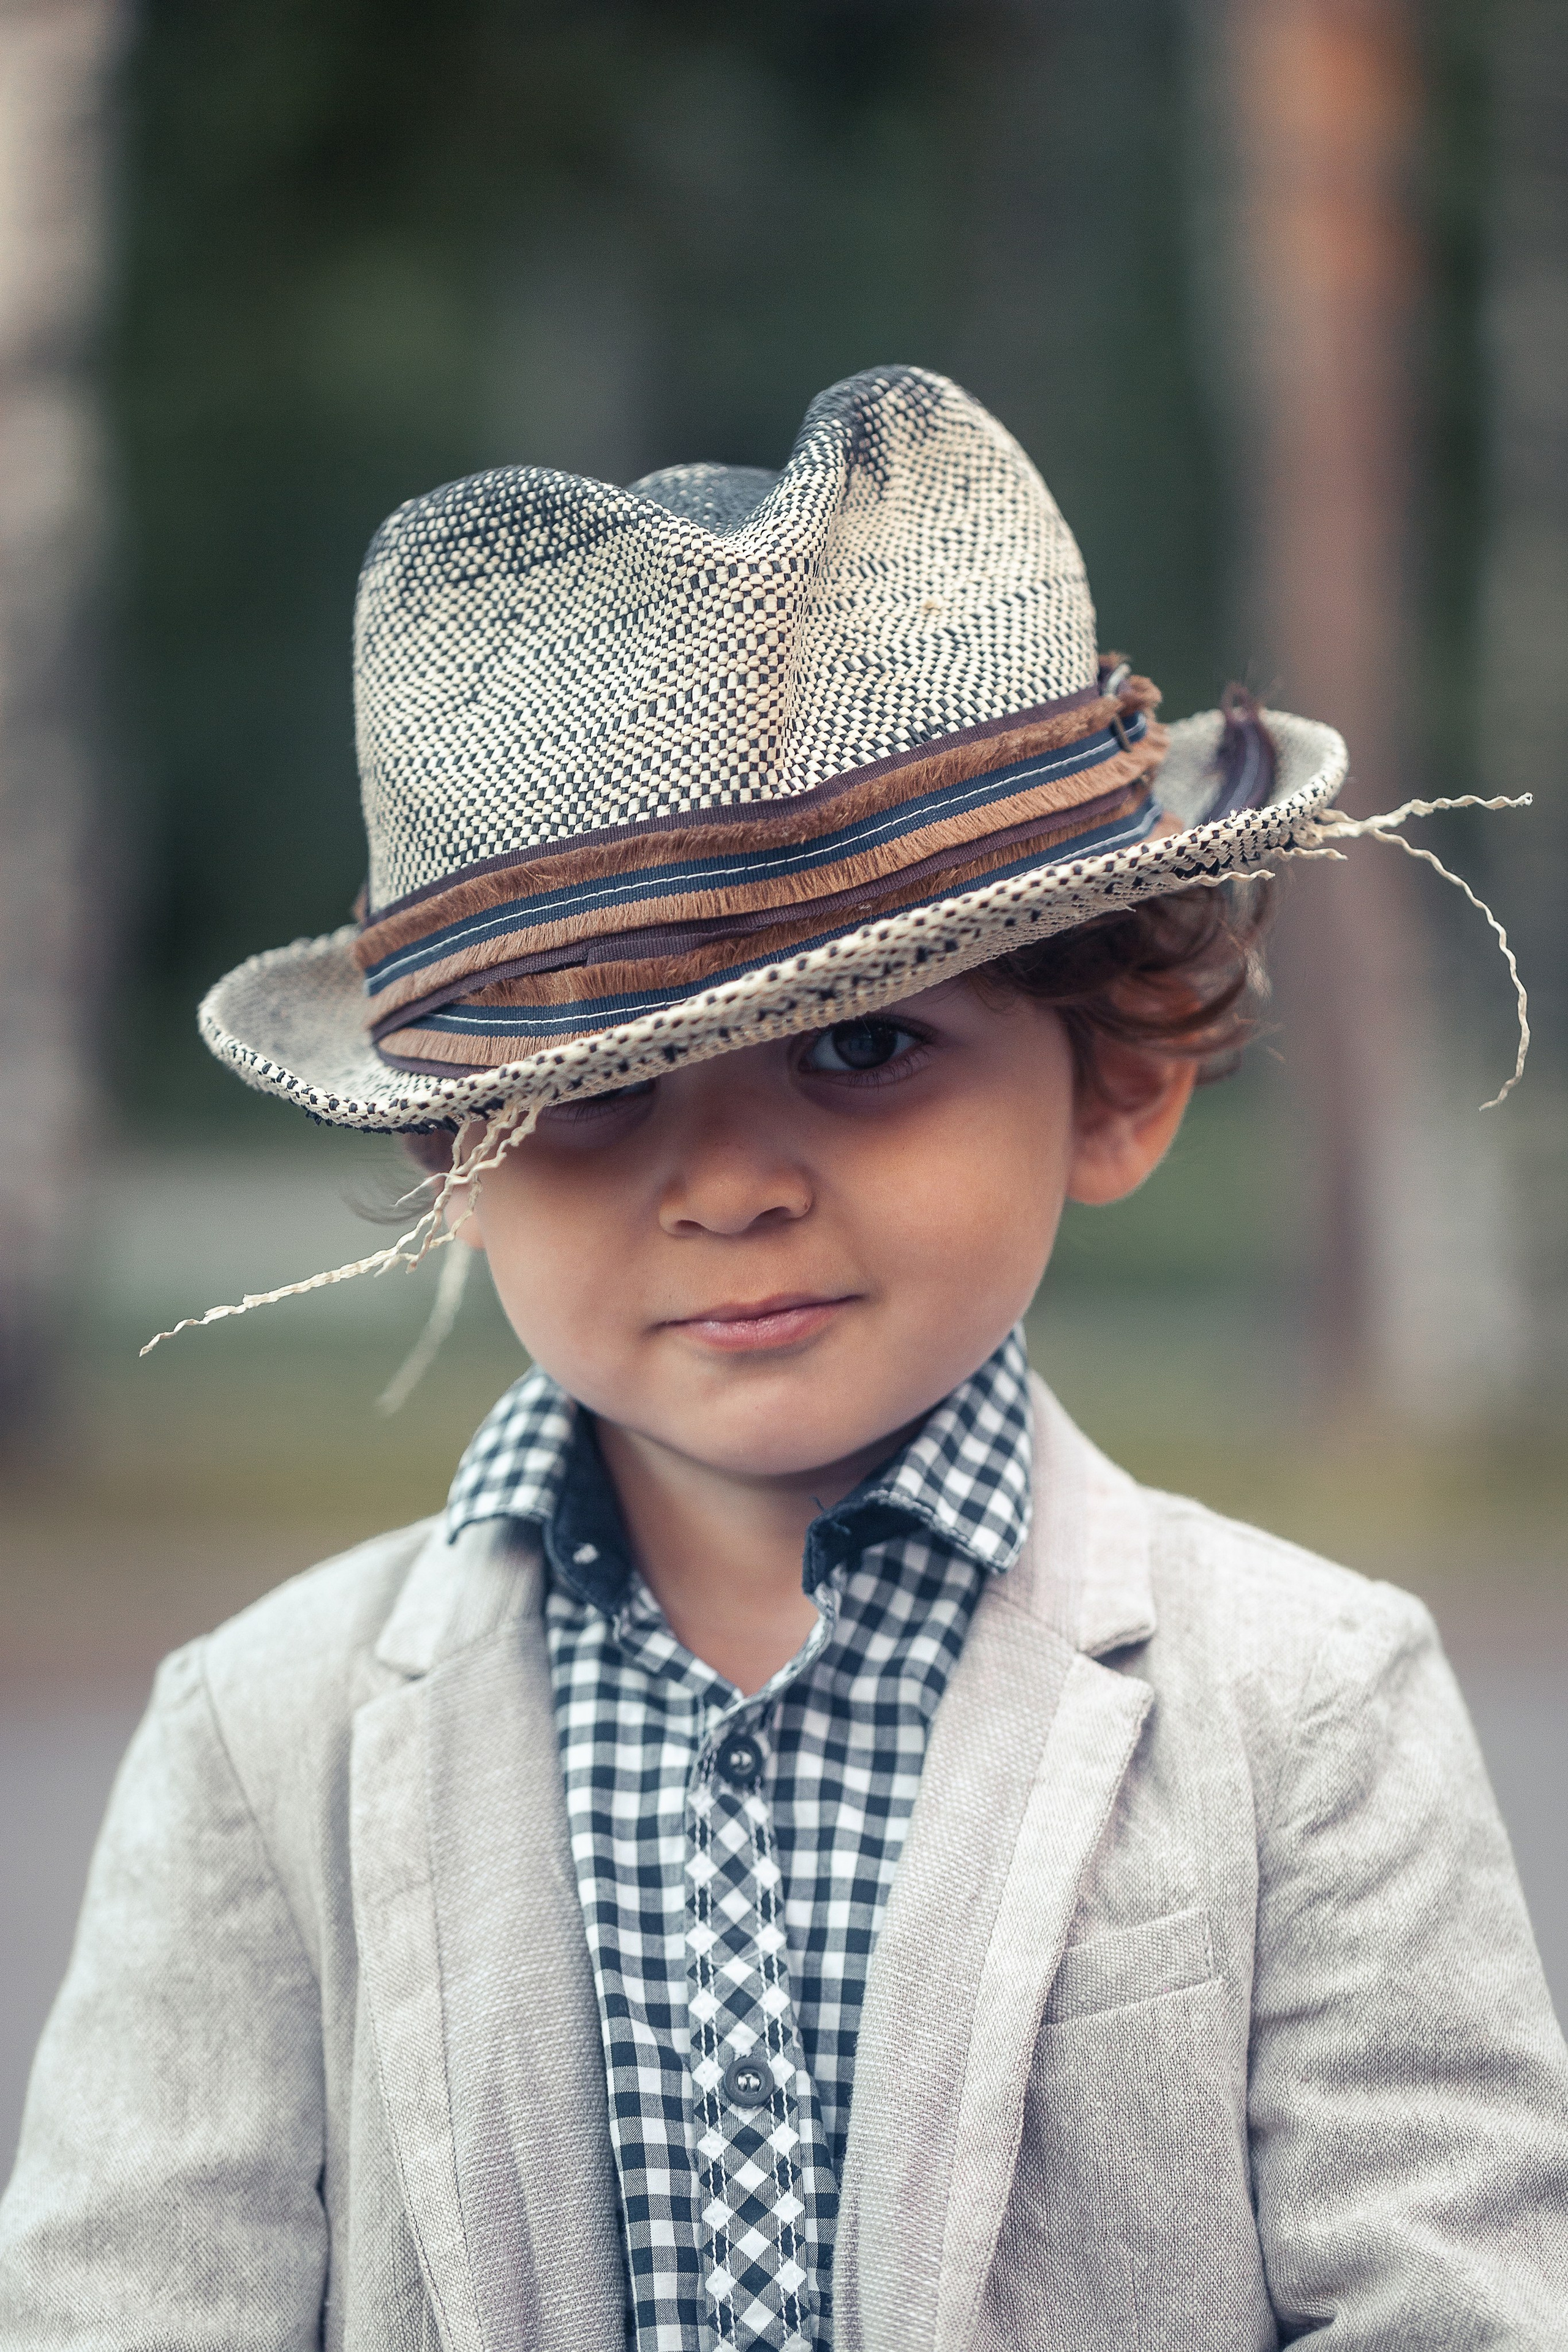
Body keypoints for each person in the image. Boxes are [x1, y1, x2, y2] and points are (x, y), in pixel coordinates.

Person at [2, 367, 1564, 2349]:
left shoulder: (1312, 1710)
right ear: (457, 1160)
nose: (732, 1182)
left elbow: (1459, 2305)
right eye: (603, 1090)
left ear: (1120, 1081)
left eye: (863, 1046)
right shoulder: (264, 1738)